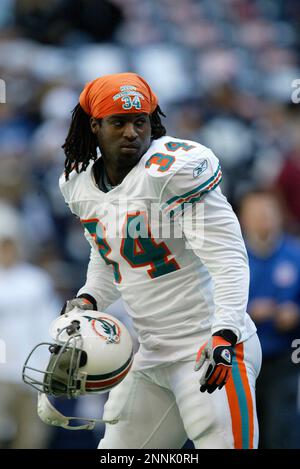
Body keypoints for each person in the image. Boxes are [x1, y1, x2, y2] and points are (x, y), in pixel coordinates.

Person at [59, 72, 261, 449]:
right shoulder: (79, 183)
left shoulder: (173, 172)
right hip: (151, 355)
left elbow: (228, 255)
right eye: (118, 123)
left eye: (140, 122)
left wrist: (226, 332)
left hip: (208, 347)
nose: (132, 133)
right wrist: (89, 299)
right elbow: (107, 255)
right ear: (95, 125)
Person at [239, 190, 300, 449]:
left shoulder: (295, 254)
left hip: (284, 357)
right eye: (256, 212)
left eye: (269, 211)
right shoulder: (232, 257)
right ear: (242, 218)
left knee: (280, 433)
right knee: (245, 435)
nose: (263, 218)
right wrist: (247, 312)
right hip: (240, 362)